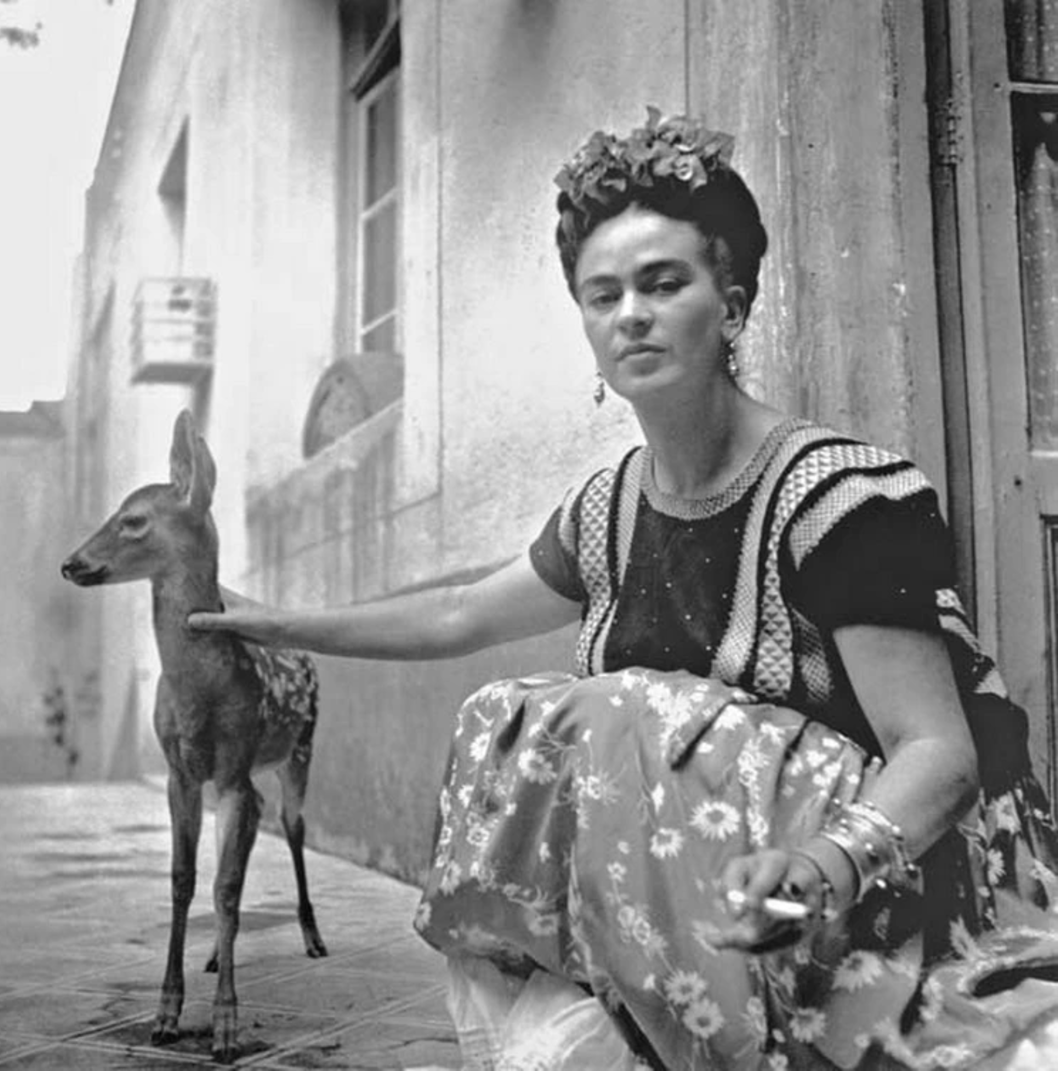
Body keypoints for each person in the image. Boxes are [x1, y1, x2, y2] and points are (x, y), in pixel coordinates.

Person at [191, 109, 1058, 1070]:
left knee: (610, 714)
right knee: (504, 718)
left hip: (887, 871)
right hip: (704, 887)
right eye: (602, 296)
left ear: (730, 306)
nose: (630, 314)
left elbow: (939, 754)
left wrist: (817, 869)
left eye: (663, 283)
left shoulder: (840, 496)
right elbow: (459, 612)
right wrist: (275, 622)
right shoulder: (606, 509)